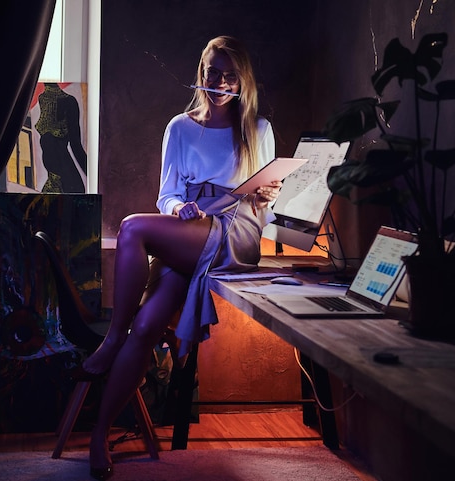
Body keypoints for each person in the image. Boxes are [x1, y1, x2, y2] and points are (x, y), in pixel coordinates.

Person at [80, 36, 280, 480]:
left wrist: (267, 197)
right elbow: (167, 194)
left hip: (234, 231)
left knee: (132, 227)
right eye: (214, 72)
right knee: (147, 327)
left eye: (230, 74)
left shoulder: (258, 129)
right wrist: (178, 211)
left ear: (242, 80)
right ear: (201, 73)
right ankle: (99, 435)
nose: (221, 82)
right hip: (189, 232)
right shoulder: (179, 127)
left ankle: (110, 338)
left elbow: (267, 208)